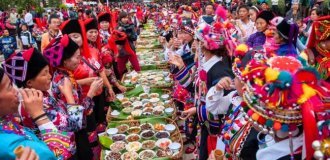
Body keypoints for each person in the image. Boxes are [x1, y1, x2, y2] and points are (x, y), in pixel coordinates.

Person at [169, 18, 235, 160]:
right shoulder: (207, 64)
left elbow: (225, 108)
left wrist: (198, 110)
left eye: (197, 41)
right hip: (204, 121)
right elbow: (195, 89)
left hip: (213, 127)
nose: (195, 44)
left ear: (203, 46)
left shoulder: (220, 71)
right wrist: (181, 67)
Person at [43, 34, 104, 160]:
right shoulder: (64, 80)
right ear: (65, 61)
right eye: (77, 57)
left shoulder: (62, 74)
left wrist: (84, 82)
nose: (80, 60)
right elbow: (77, 119)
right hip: (75, 134)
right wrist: (91, 93)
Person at [0, 67, 73, 159]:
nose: (50, 76)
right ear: (29, 83)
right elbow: (55, 154)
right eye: (9, 86)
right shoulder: (9, 145)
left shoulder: (43, 98)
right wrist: (40, 115)